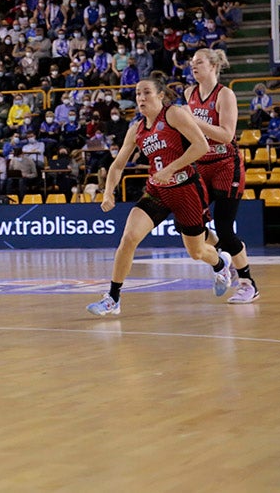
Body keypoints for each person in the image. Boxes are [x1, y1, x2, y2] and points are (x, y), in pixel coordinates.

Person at [86, 72, 233, 316]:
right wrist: (108, 192)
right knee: (129, 238)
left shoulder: (173, 114)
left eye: (146, 92)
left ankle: (220, 263)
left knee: (196, 252)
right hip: (157, 191)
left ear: (160, 95)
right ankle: (113, 297)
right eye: (137, 94)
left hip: (186, 189)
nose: (141, 98)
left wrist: (171, 168)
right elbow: (118, 165)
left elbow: (201, 146)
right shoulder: (136, 129)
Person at [185, 49, 260, 303]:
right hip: (200, 164)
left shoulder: (225, 94)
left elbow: (227, 135)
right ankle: (223, 258)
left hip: (226, 165)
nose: (193, 66)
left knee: (225, 228)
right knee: (188, 222)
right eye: (192, 63)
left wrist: (193, 120)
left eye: (199, 62)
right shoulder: (189, 93)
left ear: (213, 65)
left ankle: (248, 284)